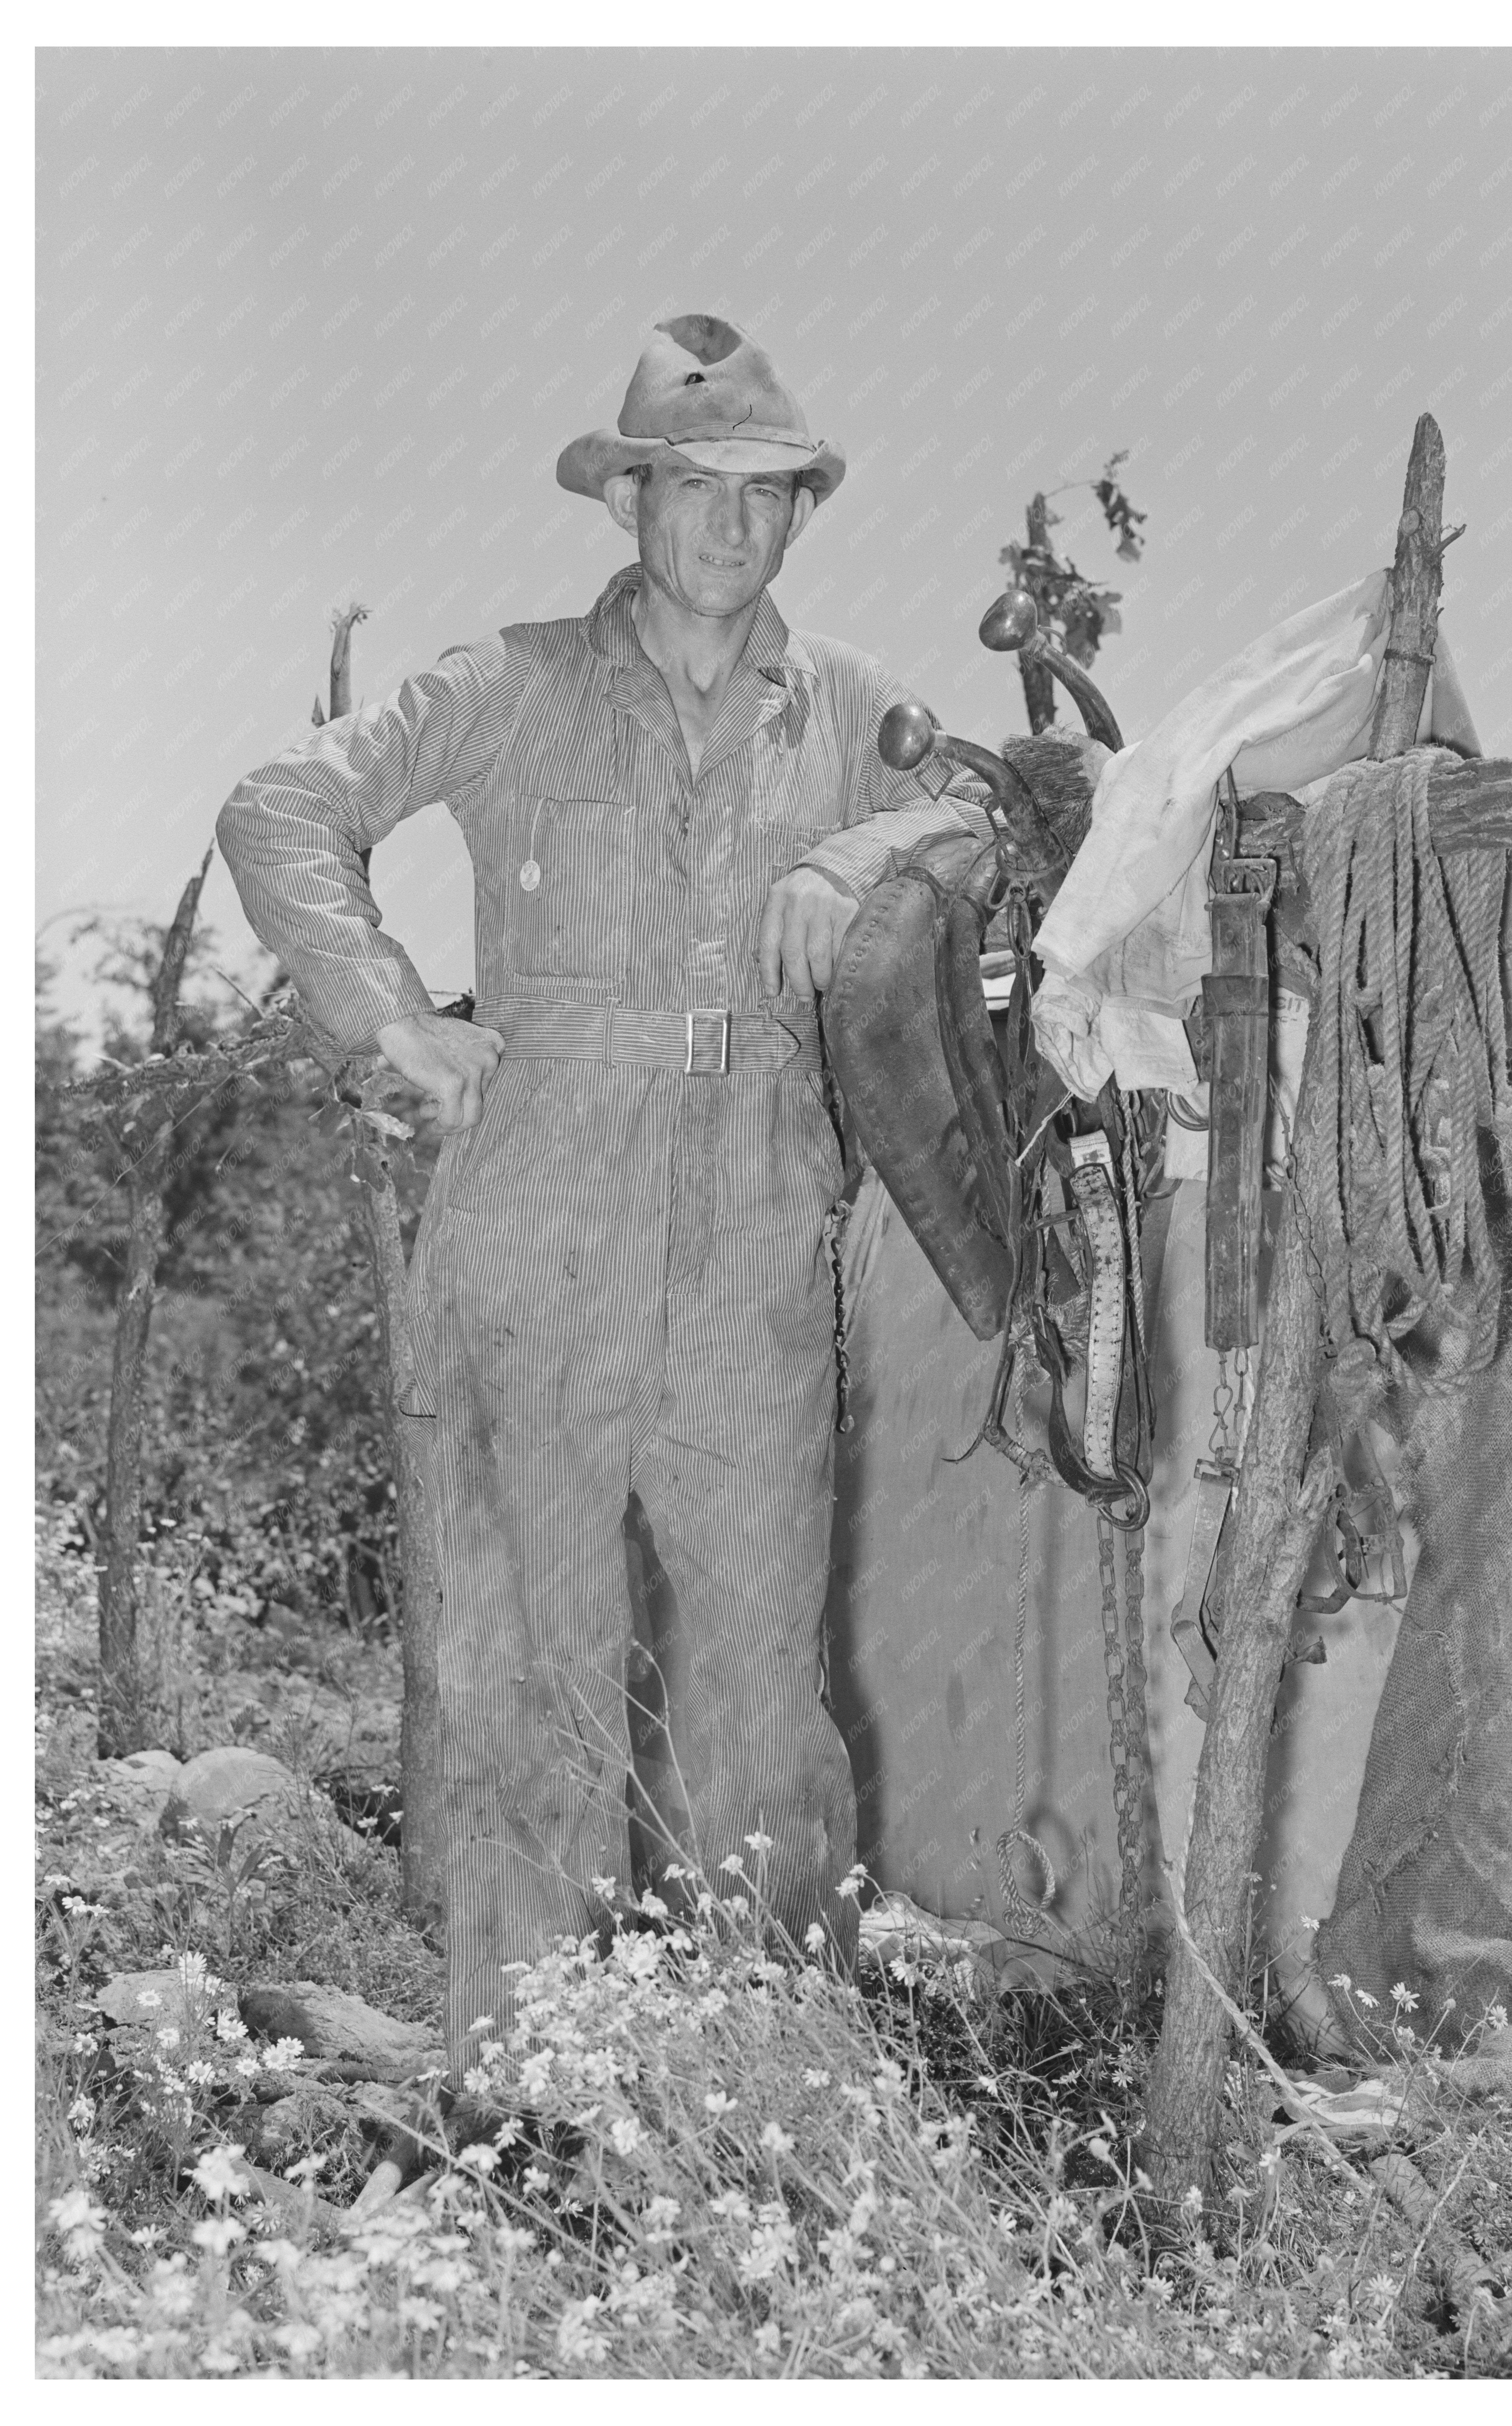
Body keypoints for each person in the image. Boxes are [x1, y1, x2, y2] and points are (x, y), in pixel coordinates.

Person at [217, 315, 991, 2075]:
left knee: (761, 1685)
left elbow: (989, 812)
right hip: (538, 1210)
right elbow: (282, 808)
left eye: (766, 493)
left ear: (799, 512)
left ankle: (769, 2075)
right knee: (532, 1672)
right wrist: (388, 1016)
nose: (731, 523)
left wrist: (862, 850)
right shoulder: (507, 681)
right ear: (630, 499)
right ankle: (533, 2073)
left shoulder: (851, 705)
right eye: (695, 486)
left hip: (758, 1226)